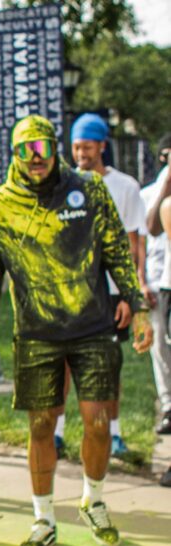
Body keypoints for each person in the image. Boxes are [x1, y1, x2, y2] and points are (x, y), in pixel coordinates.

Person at [0, 115, 153, 546]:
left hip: (93, 327)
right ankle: (43, 517)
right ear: (13, 153)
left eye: (42, 149)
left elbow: (116, 249)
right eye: (24, 150)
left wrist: (139, 305)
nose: (35, 159)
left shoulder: (89, 190)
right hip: (36, 333)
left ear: (55, 148)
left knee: (96, 420)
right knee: (41, 425)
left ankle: (94, 499)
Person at [65, 113, 148, 457]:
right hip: (71, 292)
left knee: (109, 364)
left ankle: (114, 434)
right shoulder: (64, 183)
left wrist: (131, 293)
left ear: (102, 145)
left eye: (87, 147)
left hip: (111, 292)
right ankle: (56, 434)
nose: (81, 153)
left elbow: (133, 245)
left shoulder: (125, 186)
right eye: (75, 147)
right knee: (64, 363)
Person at [144, 133, 171, 438]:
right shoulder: (157, 193)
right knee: (163, 350)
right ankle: (168, 405)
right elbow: (152, 228)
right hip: (164, 283)